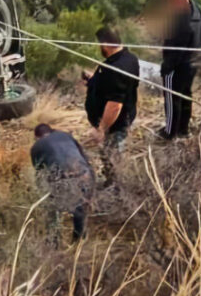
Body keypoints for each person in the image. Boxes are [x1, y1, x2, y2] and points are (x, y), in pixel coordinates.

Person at [82, 27, 140, 185]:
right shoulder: (130, 58)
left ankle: (116, 189)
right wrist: (94, 80)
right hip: (119, 121)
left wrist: (101, 129)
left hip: (114, 125)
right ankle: (112, 181)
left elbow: (115, 105)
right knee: (110, 154)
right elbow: (113, 87)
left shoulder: (115, 69)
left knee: (113, 156)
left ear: (106, 44)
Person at [30, 124, 95, 245]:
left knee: (53, 207)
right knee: (79, 207)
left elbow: (39, 172)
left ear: (37, 137)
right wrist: (92, 185)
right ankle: (79, 241)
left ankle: (53, 242)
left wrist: (43, 191)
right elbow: (85, 159)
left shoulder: (36, 147)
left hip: (61, 176)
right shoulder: (66, 136)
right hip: (82, 173)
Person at [160, 0, 201, 140]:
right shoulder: (197, 10)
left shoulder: (183, 20)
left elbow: (176, 48)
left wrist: (167, 67)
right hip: (193, 62)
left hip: (179, 64)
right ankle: (183, 130)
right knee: (185, 95)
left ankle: (170, 132)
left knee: (172, 97)